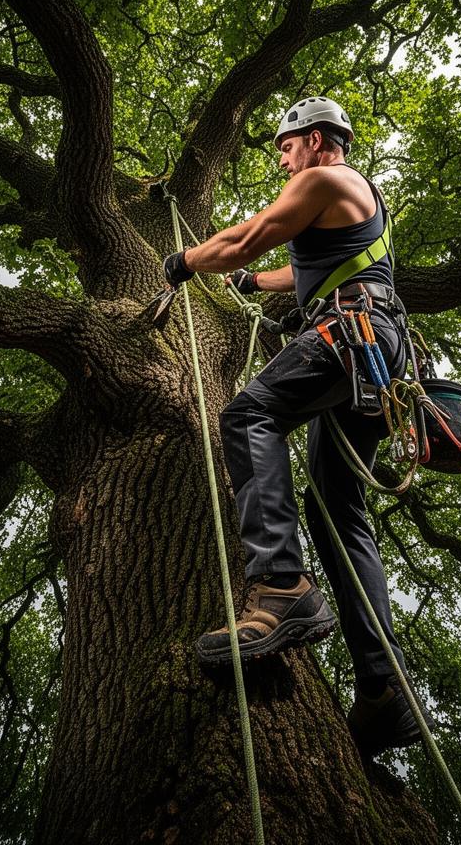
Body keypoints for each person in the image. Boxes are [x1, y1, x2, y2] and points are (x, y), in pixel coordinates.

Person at [163, 96, 433, 756]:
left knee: (249, 413)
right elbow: (299, 264)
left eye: (284, 147)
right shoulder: (359, 208)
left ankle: (281, 583)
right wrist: (260, 286)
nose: (282, 161)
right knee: (337, 506)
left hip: (350, 334)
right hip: (375, 350)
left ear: (314, 140)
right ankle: (383, 689)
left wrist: (186, 263)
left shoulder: (323, 178)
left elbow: (245, 237)